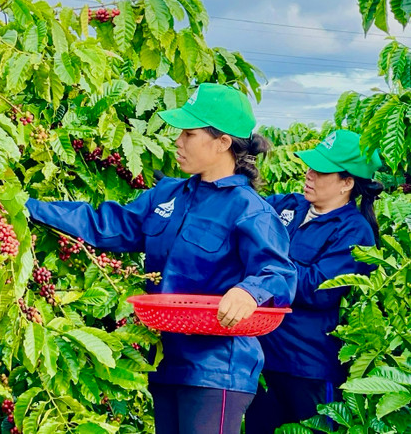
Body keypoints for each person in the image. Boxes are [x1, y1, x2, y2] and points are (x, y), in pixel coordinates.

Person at [25, 83, 296, 434]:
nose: (178, 141)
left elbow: (278, 272)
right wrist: (29, 207)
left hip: (217, 368)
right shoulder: (168, 194)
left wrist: (249, 292)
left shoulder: (250, 211)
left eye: (189, 133)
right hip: (166, 359)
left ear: (223, 142)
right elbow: (109, 224)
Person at [245, 130, 382, 433]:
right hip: (262, 359)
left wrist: (267, 265)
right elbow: (244, 212)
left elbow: (320, 289)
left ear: (347, 183)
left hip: (306, 366)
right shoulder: (288, 206)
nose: (309, 175)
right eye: (310, 167)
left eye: (321, 172)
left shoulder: (355, 232)